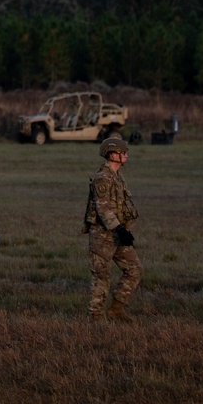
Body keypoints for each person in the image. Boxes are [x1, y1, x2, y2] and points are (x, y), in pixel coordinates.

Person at [84, 136, 141, 320]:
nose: (126, 155)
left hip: (119, 234)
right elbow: (103, 207)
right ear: (111, 154)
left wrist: (124, 229)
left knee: (135, 269)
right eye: (122, 152)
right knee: (101, 278)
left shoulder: (118, 177)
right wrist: (119, 230)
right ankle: (95, 319)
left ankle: (116, 309)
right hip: (103, 236)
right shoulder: (102, 178)